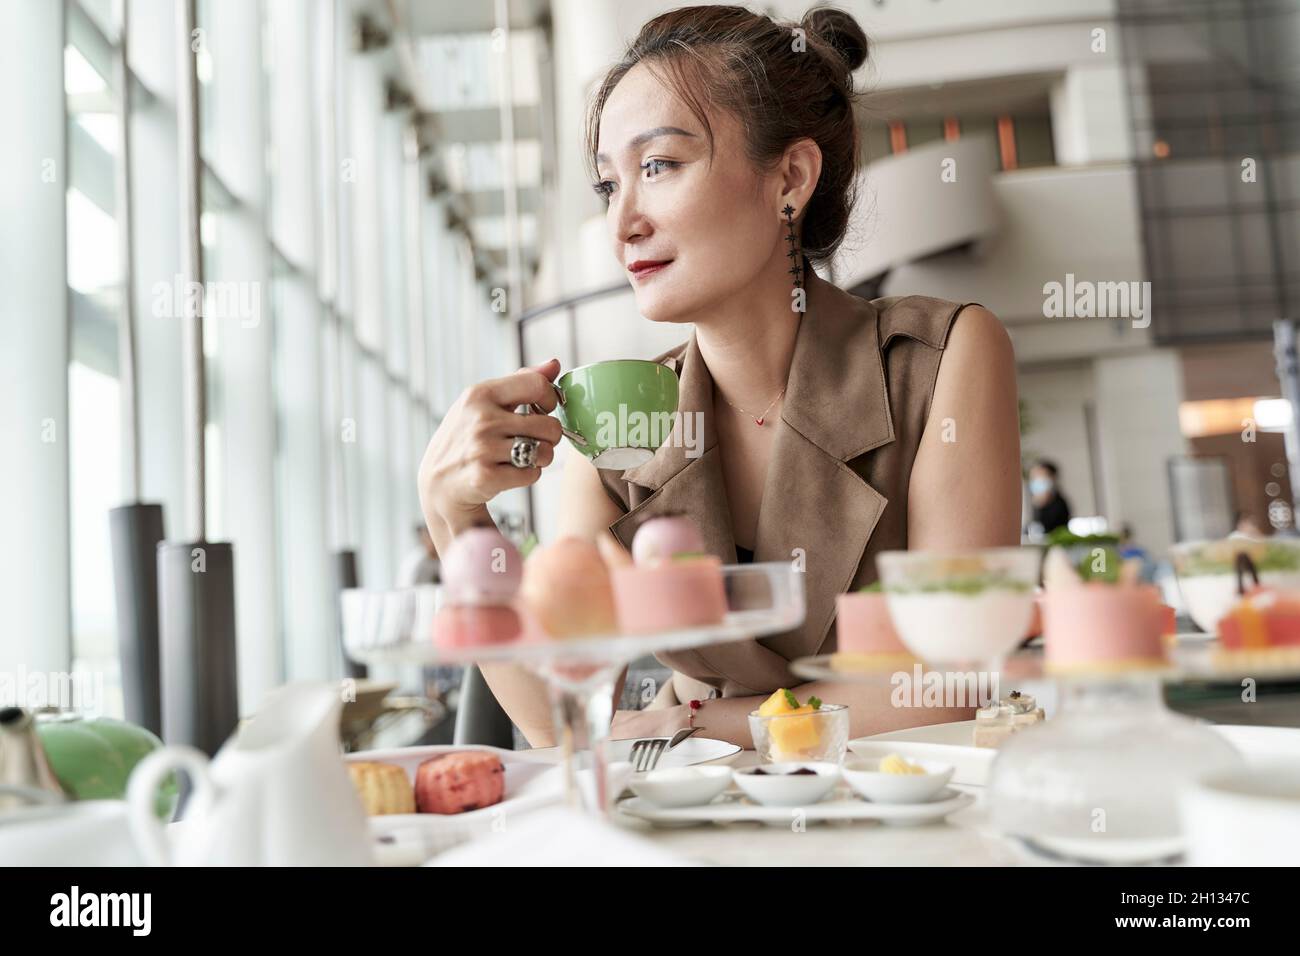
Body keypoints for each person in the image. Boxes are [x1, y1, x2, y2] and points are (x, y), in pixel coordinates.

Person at [417, 5, 1021, 748]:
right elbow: (562, 720)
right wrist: (456, 520)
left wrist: (690, 721)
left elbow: (953, 681)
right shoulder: (620, 426)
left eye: (659, 166)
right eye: (610, 185)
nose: (623, 222)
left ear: (790, 179)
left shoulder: (939, 358)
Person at [1028, 460, 1071, 535]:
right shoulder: (1035, 502)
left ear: (1052, 478)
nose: (1037, 480)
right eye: (1034, 477)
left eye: (1040, 476)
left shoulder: (1058, 503)